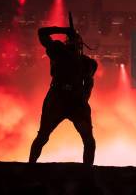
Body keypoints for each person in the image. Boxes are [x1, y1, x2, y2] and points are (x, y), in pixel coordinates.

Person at [29, 25, 98, 165]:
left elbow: (89, 83)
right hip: (57, 99)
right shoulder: (58, 51)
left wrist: (83, 100)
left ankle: (88, 170)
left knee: (88, 140)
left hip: (75, 102)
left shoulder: (88, 63)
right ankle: (31, 165)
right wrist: (65, 30)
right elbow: (42, 32)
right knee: (43, 136)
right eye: (71, 41)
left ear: (80, 45)